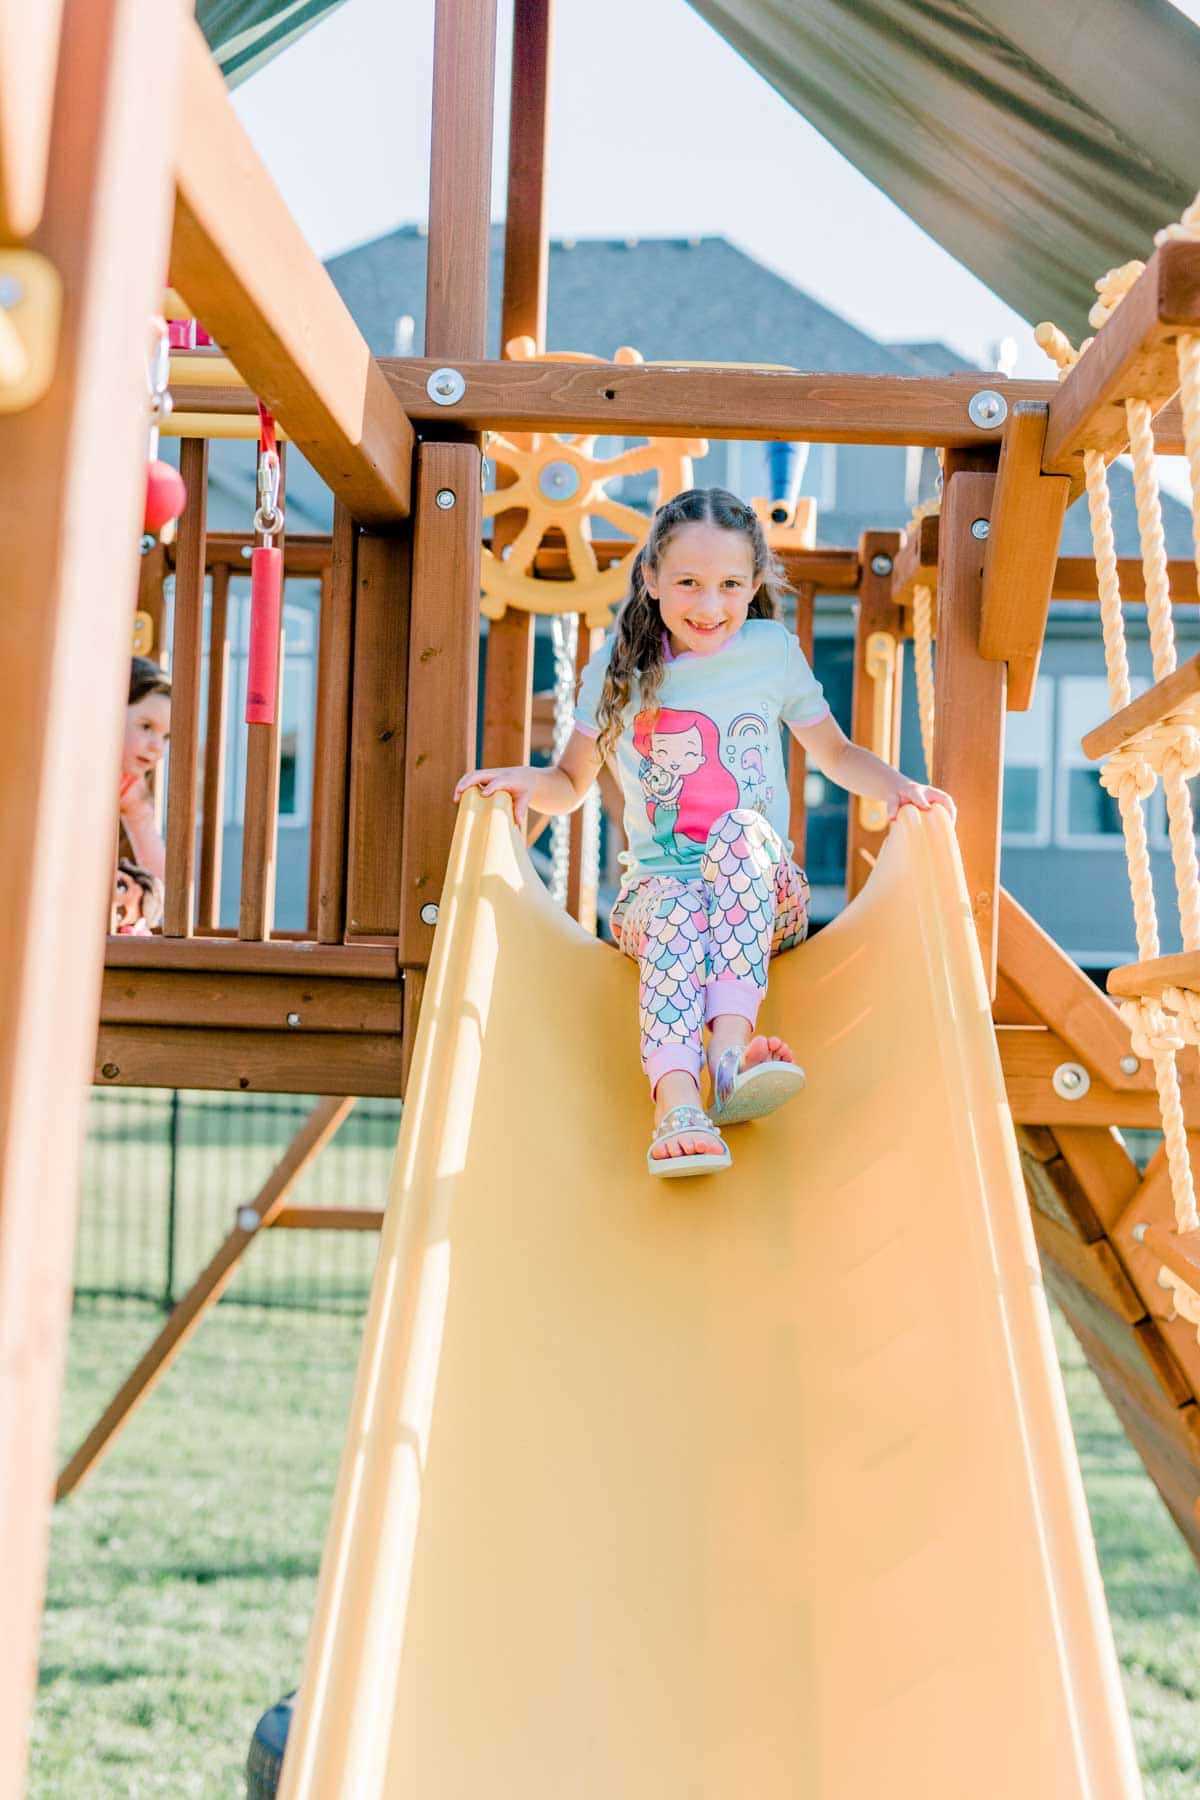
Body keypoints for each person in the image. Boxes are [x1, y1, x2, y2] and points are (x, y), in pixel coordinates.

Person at [455, 487, 954, 1178]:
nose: (710, 606)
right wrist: (523, 780)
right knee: (678, 905)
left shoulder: (770, 652)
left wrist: (899, 787)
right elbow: (569, 783)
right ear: (651, 580)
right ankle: (679, 1107)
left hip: (763, 897)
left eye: (728, 585)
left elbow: (835, 754)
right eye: (688, 583)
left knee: (739, 830)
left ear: (753, 586)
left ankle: (728, 1053)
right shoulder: (620, 670)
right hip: (655, 907)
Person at [119, 656, 171, 883]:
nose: (157, 746)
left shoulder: (130, 784)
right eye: (146, 727)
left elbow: (153, 856)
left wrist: (158, 896)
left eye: (166, 736)